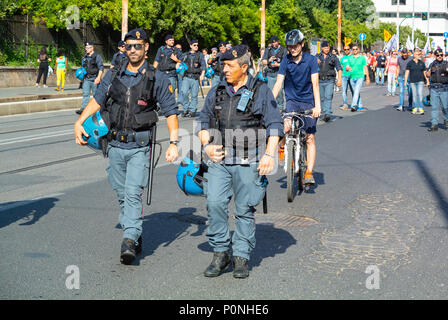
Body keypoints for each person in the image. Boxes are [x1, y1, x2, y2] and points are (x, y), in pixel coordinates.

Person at [74, 28, 179, 265]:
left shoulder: (156, 78)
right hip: (114, 146)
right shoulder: (114, 74)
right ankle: (135, 229)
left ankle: (129, 239)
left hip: (140, 147)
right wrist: (79, 121)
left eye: (137, 46)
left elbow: (171, 113)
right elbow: (97, 100)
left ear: (146, 48)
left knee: (133, 193)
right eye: (128, 46)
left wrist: (173, 143)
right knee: (122, 193)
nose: (132, 50)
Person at [197, 44, 283, 279]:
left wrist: (268, 155)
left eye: (230, 65)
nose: (225, 69)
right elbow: (203, 120)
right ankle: (221, 252)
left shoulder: (261, 91)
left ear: (244, 67)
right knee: (214, 203)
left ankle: (241, 256)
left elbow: (275, 124)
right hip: (220, 160)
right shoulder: (217, 90)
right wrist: (207, 146)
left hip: (249, 160)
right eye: (224, 65)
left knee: (244, 209)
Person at [272, 29, 321, 185]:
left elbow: (315, 84)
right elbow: (279, 83)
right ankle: (282, 147)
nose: (292, 49)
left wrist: (317, 106)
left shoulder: (311, 60)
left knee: (309, 138)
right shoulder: (286, 61)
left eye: (295, 46)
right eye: (289, 46)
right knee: (285, 127)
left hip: (308, 101)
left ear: (302, 44)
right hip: (292, 100)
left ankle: (308, 173)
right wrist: (269, 101)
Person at [316, 41, 342, 122]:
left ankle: (327, 113)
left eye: (327, 47)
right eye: (324, 48)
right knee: (322, 98)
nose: (326, 49)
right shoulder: (317, 57)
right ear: (321, 48)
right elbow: (310, 68)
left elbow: (339, 68)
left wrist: (339, 80)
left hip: (329, 80)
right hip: (319, 80)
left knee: (328, 96)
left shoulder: (333, 57)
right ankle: (324, 113)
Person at [154, 35, 183, 106]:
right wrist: (153, 71)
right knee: (160, 91)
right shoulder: (161, 49)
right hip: (161, 73)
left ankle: (170, 108)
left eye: (173, 40)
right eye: (170, 40)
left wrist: (176, 60)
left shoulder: (176, 50)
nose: (172, 41)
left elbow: (182, 61)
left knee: (170, 92)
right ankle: (160, 107)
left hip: (171, 74)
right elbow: (156, 60)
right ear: (166, 41)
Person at [76, 42, 104, 114]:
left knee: (96, 95)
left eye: (88, 48)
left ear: (92, 48)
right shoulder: (85, 57)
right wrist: (80, 76)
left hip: (95, 78)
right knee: (85, 94)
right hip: (86, 79)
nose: (86, 49)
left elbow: (101, 68)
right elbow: (82, 67)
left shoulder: (97, 56)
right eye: (86, 48)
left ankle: (97, 109)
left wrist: (98, 78)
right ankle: (83, 109)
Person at [180, 39, 206, 117]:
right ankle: (185, 109)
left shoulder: (200, 55)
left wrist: (202, 75)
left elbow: (203, 65)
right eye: (194, 45)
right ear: (190, 46)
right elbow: (179, 62)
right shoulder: (185, 55)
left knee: (194, 95)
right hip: (186, 77)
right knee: (184, 92)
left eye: (197, 45)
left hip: (195, 77)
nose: (196, 46)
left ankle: (192, 110)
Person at [262, 36, 287, 113]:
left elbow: (286, 63)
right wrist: (269, 61)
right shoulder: (268, 50)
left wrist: (278, 65)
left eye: (275, 42)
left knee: (279, 93)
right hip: (270, 73)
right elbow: (263, 62)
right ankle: (272, 108)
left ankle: (280, 109)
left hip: (279, 74)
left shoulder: (283, 50)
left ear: (278, 41)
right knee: (270, 92)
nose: (274, 44)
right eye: (272, 42)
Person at [425, 48, 448, 131]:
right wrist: (429, 72)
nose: (439, 56)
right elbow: (427, 75)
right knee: (434, 107)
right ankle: (434, 124)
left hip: (444, 88)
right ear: (435, 56)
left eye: (441, 55)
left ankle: (446, 120)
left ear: (443, 55)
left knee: (445, 107)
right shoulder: (432, 64)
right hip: (434, 88)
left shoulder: (446, 64)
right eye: (438, 55)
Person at [346, 44, 370, 112]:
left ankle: (353, 105)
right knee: (355, 92)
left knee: (356, 91)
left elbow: (365, 67)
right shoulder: (350, 58)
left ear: (358, 50)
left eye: (356, 49)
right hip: (352, 77)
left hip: (360, 76)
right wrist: (347, 68)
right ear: (352, 50)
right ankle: (360, 105)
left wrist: (367, 78)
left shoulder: (362, 58)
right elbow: (347, 66)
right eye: (353, 49)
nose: (355, 50)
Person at [404, 48, 428, 115]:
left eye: (419, 54)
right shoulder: (410, 63)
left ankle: (420, 108)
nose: (419, 55)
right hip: (412, 81)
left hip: (420, 81)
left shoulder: (421, 63)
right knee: (414, 95)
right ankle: (415, 108)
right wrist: (405, 81)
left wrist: (427, 80)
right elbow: (407, 72)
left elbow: (424, 72)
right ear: (414, 55)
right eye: (417, 54)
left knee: (420, 94)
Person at [339, 45, 354, 110]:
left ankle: (355, 104)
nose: (346, 51)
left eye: (347, 49)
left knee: (353, 90)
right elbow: (341, 66)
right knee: (344, 91)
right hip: (344, 76)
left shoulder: (353, 57)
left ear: (350, 50)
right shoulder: (343, 58)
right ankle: (345, 104)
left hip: (351, 76)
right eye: (345, 49)